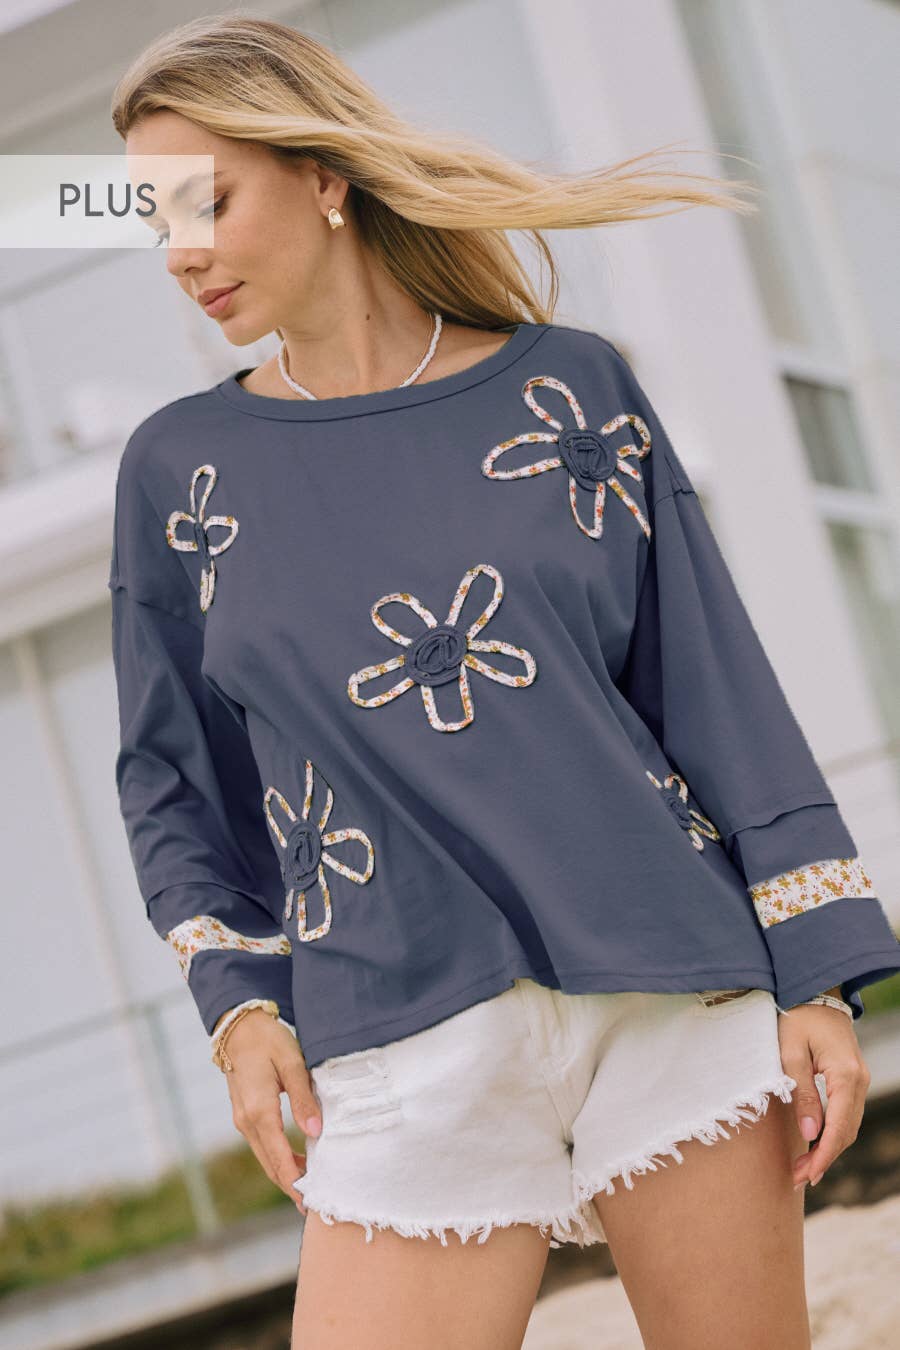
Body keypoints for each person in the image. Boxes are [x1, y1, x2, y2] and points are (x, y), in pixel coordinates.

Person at [107, 15, 899, 1350]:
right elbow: (172, 779)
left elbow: (709, 682)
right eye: (153, 222)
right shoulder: (181, 471)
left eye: (207, 202)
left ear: (325, 176)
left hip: (672, 991)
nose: (180, 252)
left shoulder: (572, 389)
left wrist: (816, 973)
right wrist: (240, 1007)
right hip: (397, 1031)